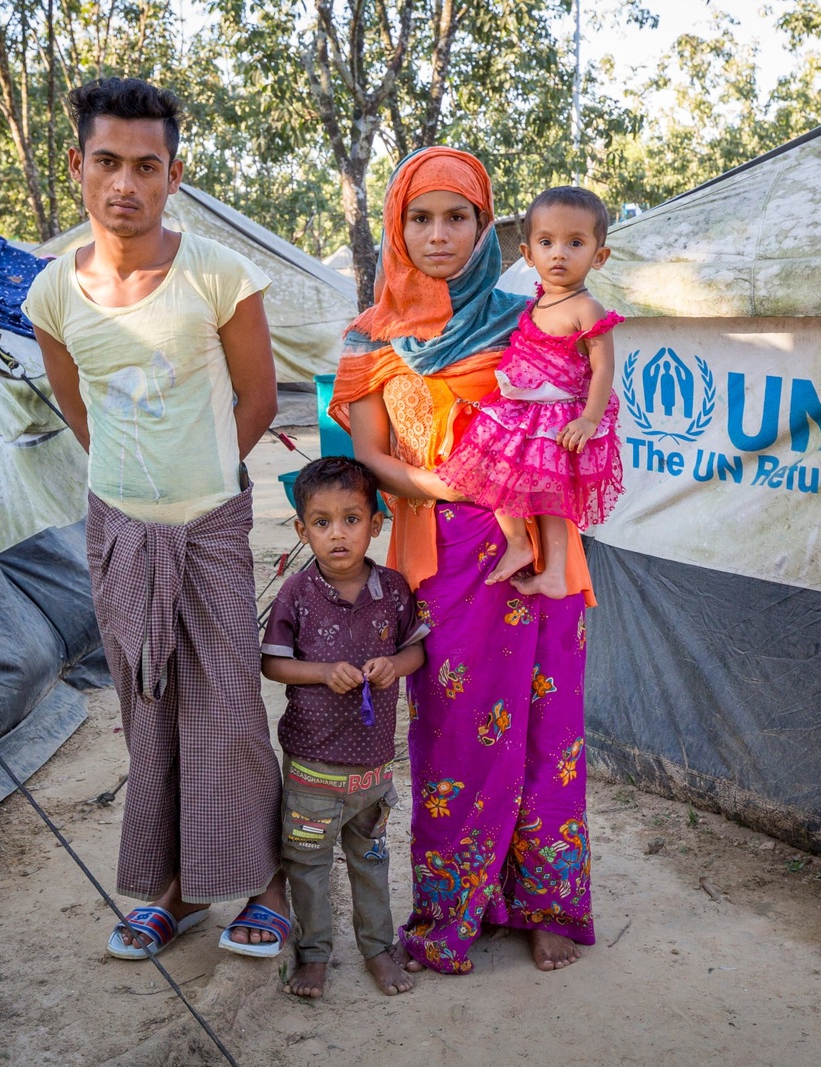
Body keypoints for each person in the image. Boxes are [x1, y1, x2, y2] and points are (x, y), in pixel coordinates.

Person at [23, 77, 290, 961]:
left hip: (210, 525)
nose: (124, 184)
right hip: (119, 530)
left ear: (175, 174)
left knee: (230, 708)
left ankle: (266, 882)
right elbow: (83, 414)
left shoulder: (217, 273)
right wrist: (136, 494)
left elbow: (257, 396)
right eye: (107, 162)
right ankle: (174, 891)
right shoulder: (52, 297)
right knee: (150, 712)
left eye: (146, 165)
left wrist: (202, 478)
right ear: (78, 166)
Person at [328, 147, 597, 975]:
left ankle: (549, 902)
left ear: (486, 228)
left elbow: (574, 409)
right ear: (396, 226)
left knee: (551, 729)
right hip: (444, 552)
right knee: (454, 737)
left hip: (541, 549)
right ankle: (455, 906)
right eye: (421, 217)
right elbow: (369, 453)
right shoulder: (368, 336)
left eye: (457, 217)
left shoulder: (527, 318)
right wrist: (445, 482)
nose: (438, 234)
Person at [259, 457, 428, 997]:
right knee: (306, 866)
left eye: (352, 519)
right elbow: (273, 663)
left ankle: (378, 951)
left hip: (373, 776)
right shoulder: (297, 594)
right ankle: (313, 956)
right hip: (312, 772)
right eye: (322, 522)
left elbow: (417, 652)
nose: (338, 534)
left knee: (371, 863)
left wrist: (393, 666)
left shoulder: (394, 591)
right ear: (301, 529)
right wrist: (323, 672)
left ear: (376, 524)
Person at [438, 187, 625, 599]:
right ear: (527, 253)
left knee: (552, 502)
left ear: (599, 256)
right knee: (500, 480)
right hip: (518, 414)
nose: (559, 253)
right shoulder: (535, 301)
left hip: (557, 421)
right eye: (546, 242)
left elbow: (604, 368)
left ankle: (555, 571)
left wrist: (590, 419)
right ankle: (520, 545)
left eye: (575, 243)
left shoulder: (587, 309)